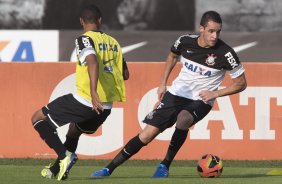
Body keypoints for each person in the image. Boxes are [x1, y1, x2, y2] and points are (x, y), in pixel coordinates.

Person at [92, 10, 247, 178]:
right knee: (146, 135)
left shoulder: (226, 53)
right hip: (176, 94)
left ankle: (164, 165)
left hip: (201, 100)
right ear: (201, 28)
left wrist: (215, 93)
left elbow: (241, 83)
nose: (215, 36)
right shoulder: (184, 41)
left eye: (218, 31)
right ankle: (109, 169)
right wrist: (162, 83)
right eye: (211, 31)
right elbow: (173, 56)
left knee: (184, 119)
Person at [31, 4, 129, 181]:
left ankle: (64, 157)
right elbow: (125, 74)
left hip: (87, 100)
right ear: (100, 21)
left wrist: (93, 92)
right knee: (73, 130)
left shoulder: (84, 39)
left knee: (37, 118)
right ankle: (56, 169)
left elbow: (92, 62)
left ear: (81, 21)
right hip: (105, 107)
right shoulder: (113, 42)